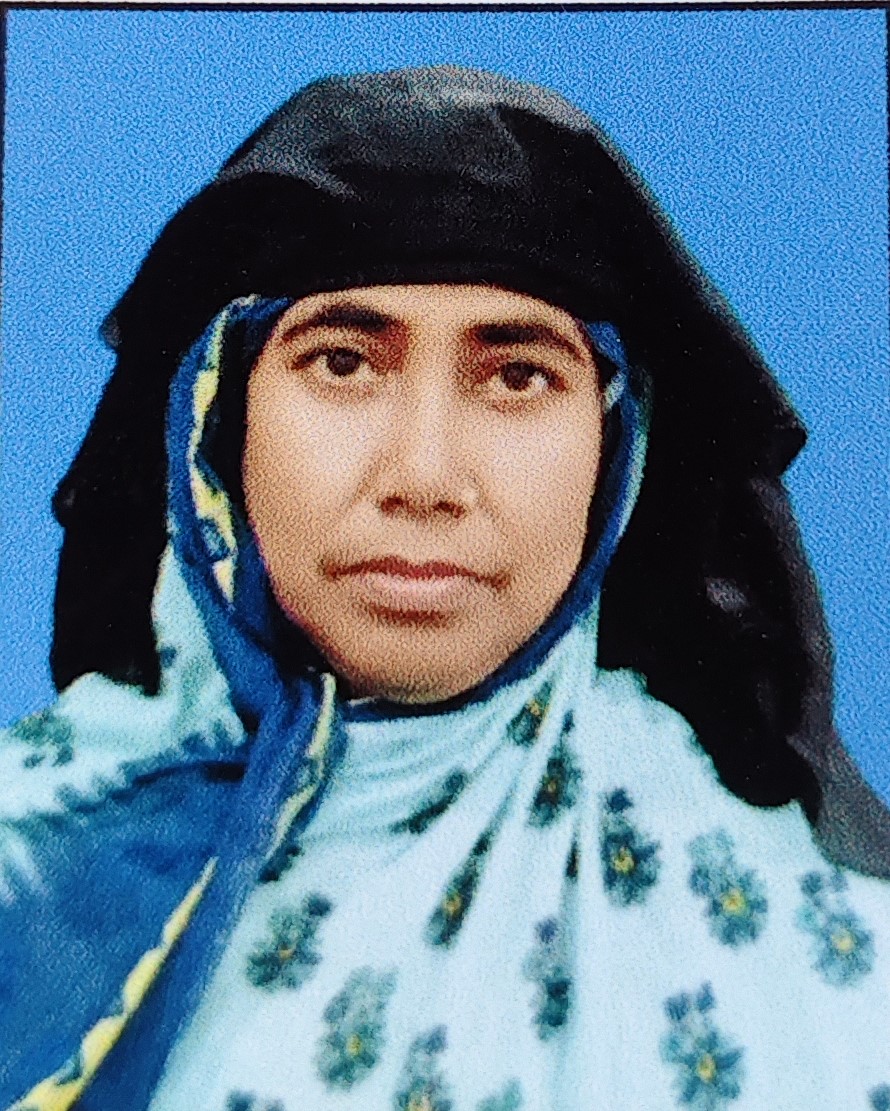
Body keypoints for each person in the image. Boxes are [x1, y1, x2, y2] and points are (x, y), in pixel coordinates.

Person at [0, 64, 888, 1111]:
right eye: (341, 363)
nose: (422, 476)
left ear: (616, 448)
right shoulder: (24, 856)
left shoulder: (818, 947)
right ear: (218, 420)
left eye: (517, 376)